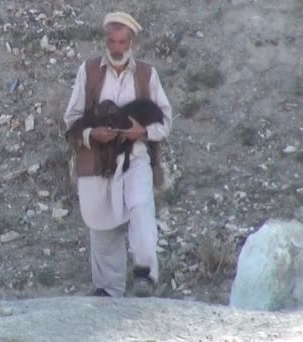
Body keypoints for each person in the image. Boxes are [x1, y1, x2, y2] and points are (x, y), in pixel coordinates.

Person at [63, 11, 173, 297]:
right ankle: (107, 290)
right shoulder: (88, 71)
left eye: (122, 41)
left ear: (131, 42)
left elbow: (166, 122)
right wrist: (91, 134)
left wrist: (144, 133)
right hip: (96, 158)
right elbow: (72, 117)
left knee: (141, 209)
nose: (116, 47)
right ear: (106, 41)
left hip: (135, 156)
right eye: (112, 41)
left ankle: (145, 275)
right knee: (101, 222)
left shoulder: (147, 74)